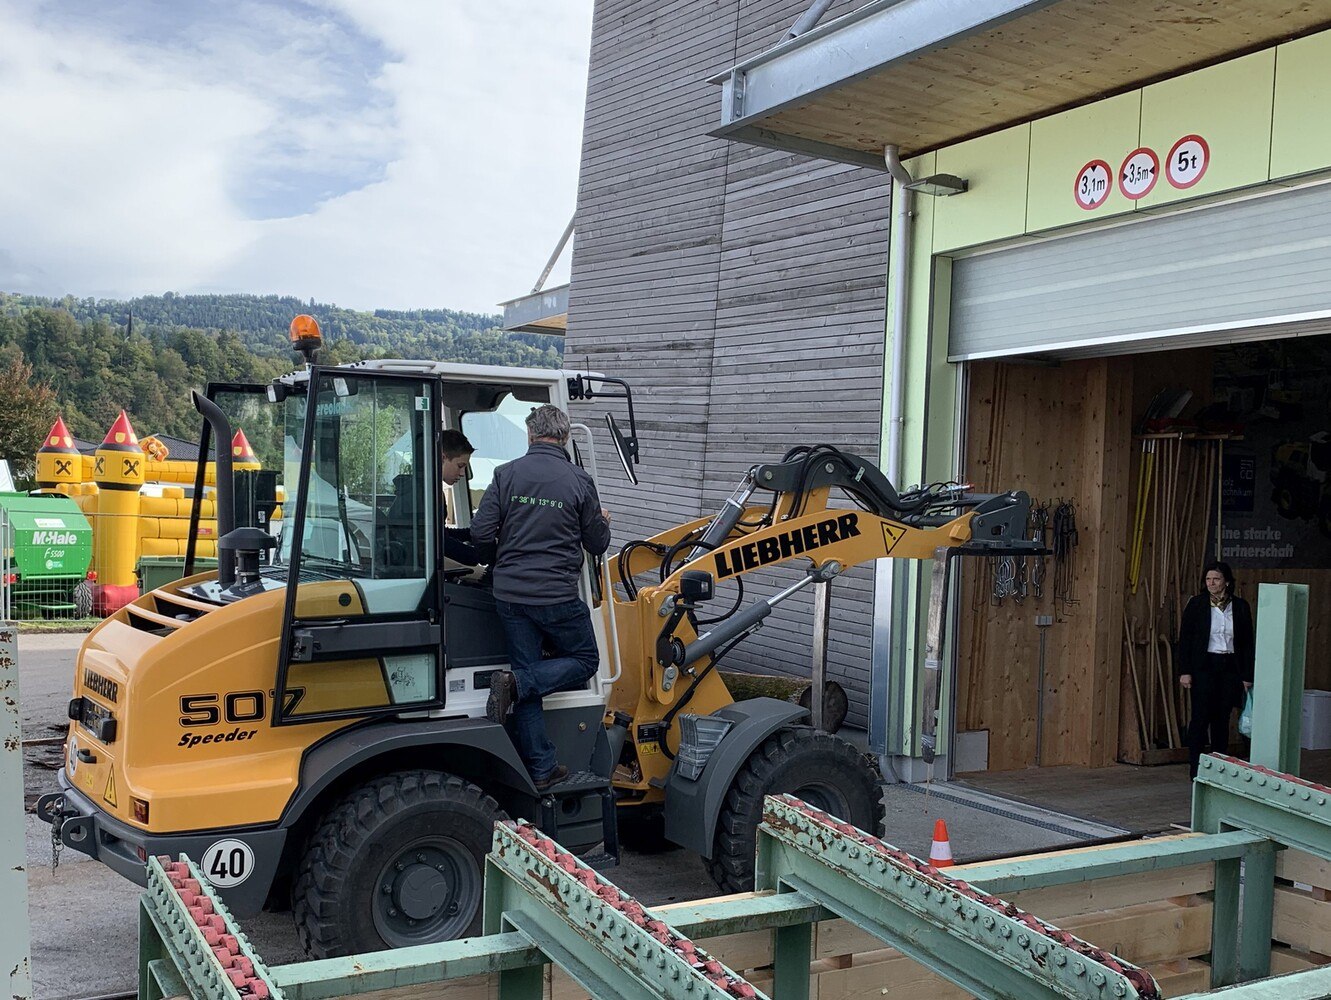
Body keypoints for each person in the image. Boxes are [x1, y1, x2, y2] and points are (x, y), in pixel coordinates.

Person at [471, 404, 612, 790]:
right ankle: (514, 684)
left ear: (531, 435)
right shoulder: (579, 481)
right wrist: (602, 522)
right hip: (555, 596)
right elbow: (596, 542)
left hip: (510, 596)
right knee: (584, 660)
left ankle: (541, 767)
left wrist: (497, 561)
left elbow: (480, 534)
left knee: (527, 670)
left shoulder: (505, 474)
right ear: (564, 437)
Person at [1178, 560, 1254, 779]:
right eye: (1208, 579)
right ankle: (1196, 768)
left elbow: (1247, 643)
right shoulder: (1197, 604)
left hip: (1229, 666)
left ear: (1227, 582)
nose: (1211, 583)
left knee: (1222, 718)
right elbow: (1186, 639)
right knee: (1200, 717)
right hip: (1204, 665)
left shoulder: (1240, 606)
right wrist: (1185, 671)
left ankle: (1219, 768)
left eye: (1216, 579)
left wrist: (1247, 675)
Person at [440, 429, 478, 565]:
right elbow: (441, 542)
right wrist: (479, 555)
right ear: (442, 458)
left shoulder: (431, 490)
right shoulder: (425, 497)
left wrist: (472, 534)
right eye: (460, 466)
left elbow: (441, 534)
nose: (462, 473)